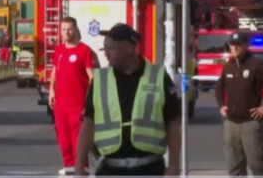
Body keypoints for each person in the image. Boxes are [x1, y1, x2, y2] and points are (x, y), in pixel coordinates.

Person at [75, 23, 180, 177]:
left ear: (129, 48)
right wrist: (79, 165)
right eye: (105, 49)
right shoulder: (99, 80)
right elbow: (88, 123)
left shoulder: (159, 77)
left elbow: (173, 123)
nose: (106, 54)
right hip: (110, 169)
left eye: (111, 49)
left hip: (150, 169)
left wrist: (174, 165)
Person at [215, 31, 263, 177]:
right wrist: (221, 104)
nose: (234, 49)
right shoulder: (228, 66)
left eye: (237, 46)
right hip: (231, 124)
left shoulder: (257, 64)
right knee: (234, 167)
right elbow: (219, 87)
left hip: (251, 123)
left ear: (246, 46)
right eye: (231, 45)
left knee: (257, 166)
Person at [49, 17, 97, 176]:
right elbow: (55, 71)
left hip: (78, 104)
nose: (66, 33)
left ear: (75, 30)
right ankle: (69, 167)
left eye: (69, 29)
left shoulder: (84, 50)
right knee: (64, 141)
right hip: (61, 105)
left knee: (78, 142)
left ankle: (82, 169)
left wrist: (91, 99)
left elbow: (92, 76)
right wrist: (51, 90)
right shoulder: (59, 50)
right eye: (63, 29)